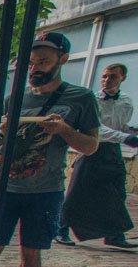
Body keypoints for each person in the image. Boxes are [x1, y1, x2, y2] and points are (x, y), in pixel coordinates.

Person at [0, 31, 99, 267]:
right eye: (31, 62)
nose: (36, 68)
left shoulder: (80, 98)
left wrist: (64, 131)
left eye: (43, 61)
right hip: (6, 187)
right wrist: (3, 133)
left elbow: (90, 146)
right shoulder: (15, 99)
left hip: (45, 190)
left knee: (30, 250)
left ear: (62, 60)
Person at [57, 62, 136, 249]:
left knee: (117, 192)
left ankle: (114, 235)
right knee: (77, 192)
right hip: (92, 147)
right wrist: (126, 137)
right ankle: (60, 229)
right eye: (104, 76)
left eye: (113, 76)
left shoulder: (126, 101)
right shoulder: (92, 99)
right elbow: (98, 128)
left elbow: (121, 126)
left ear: (122, 78)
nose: (107, 80)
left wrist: (130, 133)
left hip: (113, 151)